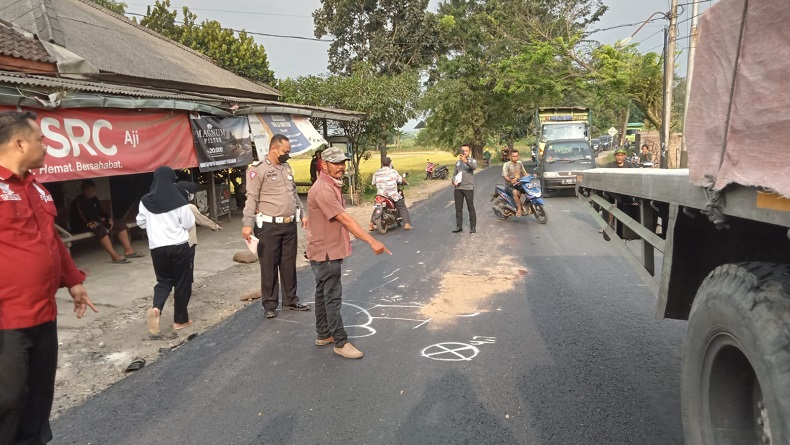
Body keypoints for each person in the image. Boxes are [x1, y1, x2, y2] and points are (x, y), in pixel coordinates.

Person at [0, 110, 98, 445]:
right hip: (8, 321)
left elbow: (52, 240)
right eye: (40, 140)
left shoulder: (38, 190)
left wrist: (73, 281)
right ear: (19, 143)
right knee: (8, 401)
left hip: (44, 315)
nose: (46, 146)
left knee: (39, 399)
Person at [306, 146, 391, 359]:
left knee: (322, 293)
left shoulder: (330, 185)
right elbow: (344, 219)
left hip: (324, 250)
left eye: (342, 162)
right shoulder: (323, 190)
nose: (341, 167)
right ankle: (340, 342)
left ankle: (324, 333)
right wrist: (371, 240)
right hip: (326, 252)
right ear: (324, 165)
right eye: (335, 163)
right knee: (332, 297)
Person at [242, 134, 310, 319]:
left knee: (288, 264)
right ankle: (270, 304)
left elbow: (293, 193)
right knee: (269, 266)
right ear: (273, 149)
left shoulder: (287, 168)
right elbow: (251, 198)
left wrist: (302, 213)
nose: (287, 154)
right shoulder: (258, 170)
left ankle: (290, 300)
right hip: (268, 226)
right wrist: (247, 224)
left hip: (289, 224)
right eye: (284, 151)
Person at [137, 167, 196, 337]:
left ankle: (157, 308)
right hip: (179, 246)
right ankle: (180, 320)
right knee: (182, 282)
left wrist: (154, 224)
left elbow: (140, 222)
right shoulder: (179, 199)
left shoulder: (145, 201)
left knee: (163, 282)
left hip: (157, 248)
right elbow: (189, 224)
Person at [69, 179, 144, 264]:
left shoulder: (94, 199)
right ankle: (114, 256)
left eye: (93, 190)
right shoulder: (78, 201)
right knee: (101, 229)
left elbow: (101, 212)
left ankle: (128, 251)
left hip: (95, 222)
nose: (91, 193)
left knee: (120, 225)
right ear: (83, 190)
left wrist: (108, 218)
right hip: (81, 225)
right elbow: (84, 218)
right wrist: (99, 222)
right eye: (88, 191)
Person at [175, 181, 222, 285]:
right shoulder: (189, 207)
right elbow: (201, 219)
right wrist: (214, 226)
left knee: (176, 267)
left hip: (172, 243)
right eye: (191, 192)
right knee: (188, 266)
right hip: (188, 242)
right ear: (186, 193)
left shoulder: (169, 206)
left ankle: (178, 286)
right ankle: (186, 287)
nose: (192, 194)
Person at [369, 156, 412, 231]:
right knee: (402, 206)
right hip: (392, 195)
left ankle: (371, 225)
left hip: (380, 195)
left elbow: (373, 183)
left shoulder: (377, 172)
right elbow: (401, 180)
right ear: (390, 163)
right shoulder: (393, 172)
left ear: (382, 164)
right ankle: (407, 224)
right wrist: (407, 183)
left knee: (377, 206)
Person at [452, 143, 478, 233]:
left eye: (466, 151)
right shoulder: (458, 163)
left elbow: (474, 167)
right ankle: (459, 226)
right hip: (458, 188)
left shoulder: (472, 160)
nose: (464, 152)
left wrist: (466, 161)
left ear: (469, 151)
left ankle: (473, 227)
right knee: (458, 208)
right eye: (463, 151)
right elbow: (454, 174)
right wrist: (453, 181)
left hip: (468, 187)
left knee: (470, 207)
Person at [501, 150, 528, 216]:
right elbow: (505, 176)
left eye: (516, 156)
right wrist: (511, 181)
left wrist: (532, 175)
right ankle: (519, 209)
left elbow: (524, 173)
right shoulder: (506, 164)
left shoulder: (519, 163)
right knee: (515, 192)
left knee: (528, 189)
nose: (515, 158)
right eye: (513, 156)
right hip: (509, 185)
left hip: (518, 183)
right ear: (510, 156)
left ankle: (526, 205)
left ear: (518, 156)